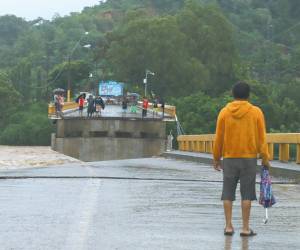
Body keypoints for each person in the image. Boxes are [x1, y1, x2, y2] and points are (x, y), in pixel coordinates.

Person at [213, 81, 270, 237]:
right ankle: (245, 228)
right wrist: (265, 158)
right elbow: (262, 138)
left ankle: (228, 226)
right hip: (249, 158)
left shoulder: (224, 112)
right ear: (248, 95)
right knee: (247, 194)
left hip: (230, 158)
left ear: (233, 94)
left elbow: (219, 137)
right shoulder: (256, 112)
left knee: (227, 193)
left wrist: (216, 158)